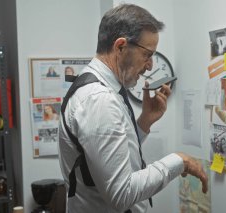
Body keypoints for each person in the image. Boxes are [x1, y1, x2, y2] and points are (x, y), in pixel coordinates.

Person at [58, 4, 207, 213]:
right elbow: (122, 194)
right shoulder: (99, 100)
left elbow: (109, 152)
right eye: (147, 55)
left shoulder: (101, 88)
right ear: (120, 47)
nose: (150, 66)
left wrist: (145, 121)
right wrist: (179, 161)